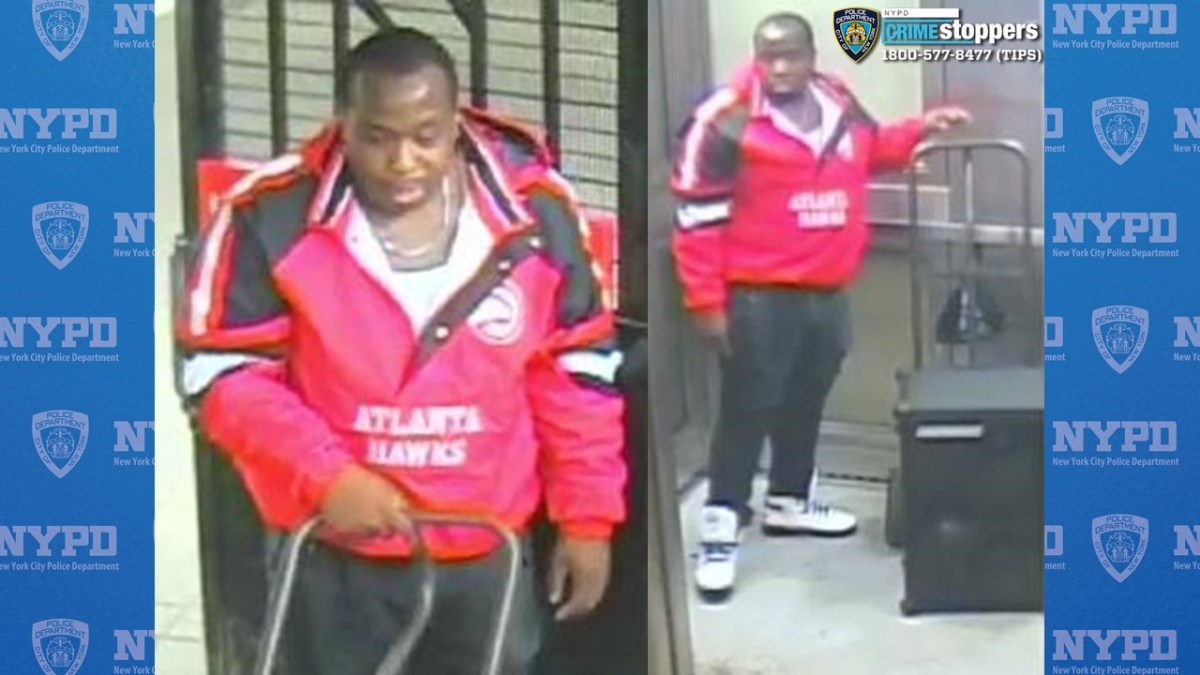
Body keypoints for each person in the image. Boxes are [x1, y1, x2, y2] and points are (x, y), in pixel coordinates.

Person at [177, 27, 627, 674]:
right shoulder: (268, 212)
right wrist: (327, 473)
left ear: (458, 123)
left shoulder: (539, 212)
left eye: (426, 135)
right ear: (343, 125)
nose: (403, 161)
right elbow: (221, 374)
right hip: (333, 554)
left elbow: (578, 375)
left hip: (485, 556)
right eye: (377, 136)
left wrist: (588, 519)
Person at [670, 12, 969, 601]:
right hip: (759, 294)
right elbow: (695, 219)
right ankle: (721, 525)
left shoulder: (835, 97)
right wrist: (705, 303)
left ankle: (788, 499)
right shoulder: (723, 121)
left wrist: (920, 129)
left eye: (790, 56)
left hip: (827, 290)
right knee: (746, 408)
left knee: (807, 394)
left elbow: (869, 150)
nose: (778, 68)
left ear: (812, 58)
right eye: (767, 56)